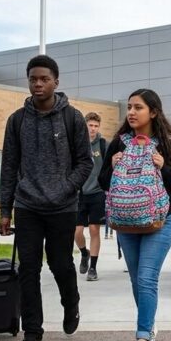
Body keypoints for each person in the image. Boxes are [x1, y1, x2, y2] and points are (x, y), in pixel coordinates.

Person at [0, 55, 94, 341]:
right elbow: (9, 166)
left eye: (43, 79)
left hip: (62, 207)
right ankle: (33, 332)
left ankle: (71, 303)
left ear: (55, 81)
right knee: (28, 268)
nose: (37, 84)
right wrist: (5, 209)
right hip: (27, 206)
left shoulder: (72, 118)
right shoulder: (17, 120)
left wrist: (65, 188)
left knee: (61, 265)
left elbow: (85, 163)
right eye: (32, 79)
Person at [99, 89, 171, 341]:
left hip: (159, 221)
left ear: (153, 112)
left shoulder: (170, 145)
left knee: (146, 277)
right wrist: (112, 166)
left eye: (137, 107)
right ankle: (149, 322)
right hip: (126, 223)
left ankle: (142, 338)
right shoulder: (118, 144)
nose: (130, 112)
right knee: (136, 279)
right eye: (129, 107)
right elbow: (103, 183)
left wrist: (164, 167)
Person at [76, 112, 108, 282]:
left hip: (97, 193)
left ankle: (93, 268)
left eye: (96, 126)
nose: (93, 129)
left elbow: (111, 165)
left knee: (95, 229)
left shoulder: (103, 144)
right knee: (77, 232)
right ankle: (84, 253)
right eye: (90, 125)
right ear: (85, 125)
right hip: (79, 194)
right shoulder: (77, 144)